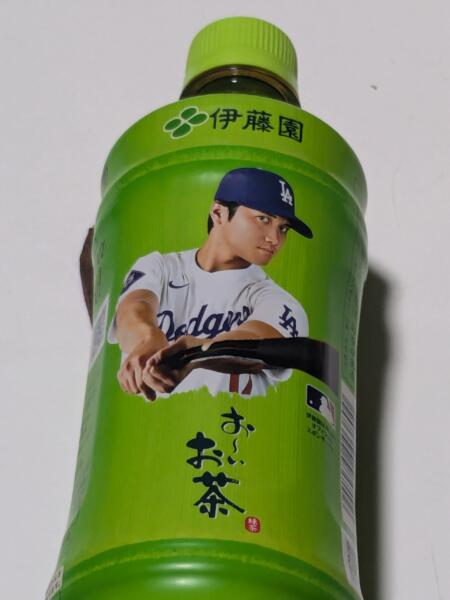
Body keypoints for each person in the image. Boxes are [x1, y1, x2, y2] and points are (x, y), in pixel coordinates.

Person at [108, 167, 313, 400]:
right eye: (263, 219)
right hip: (142, 422)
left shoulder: (277, 300)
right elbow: (133, 308)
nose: (275, 239)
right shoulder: (160, 266)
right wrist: (146, 338)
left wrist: (196, 353)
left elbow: (259, 342)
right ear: (218, 213)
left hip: (232, 420)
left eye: (283, 228)